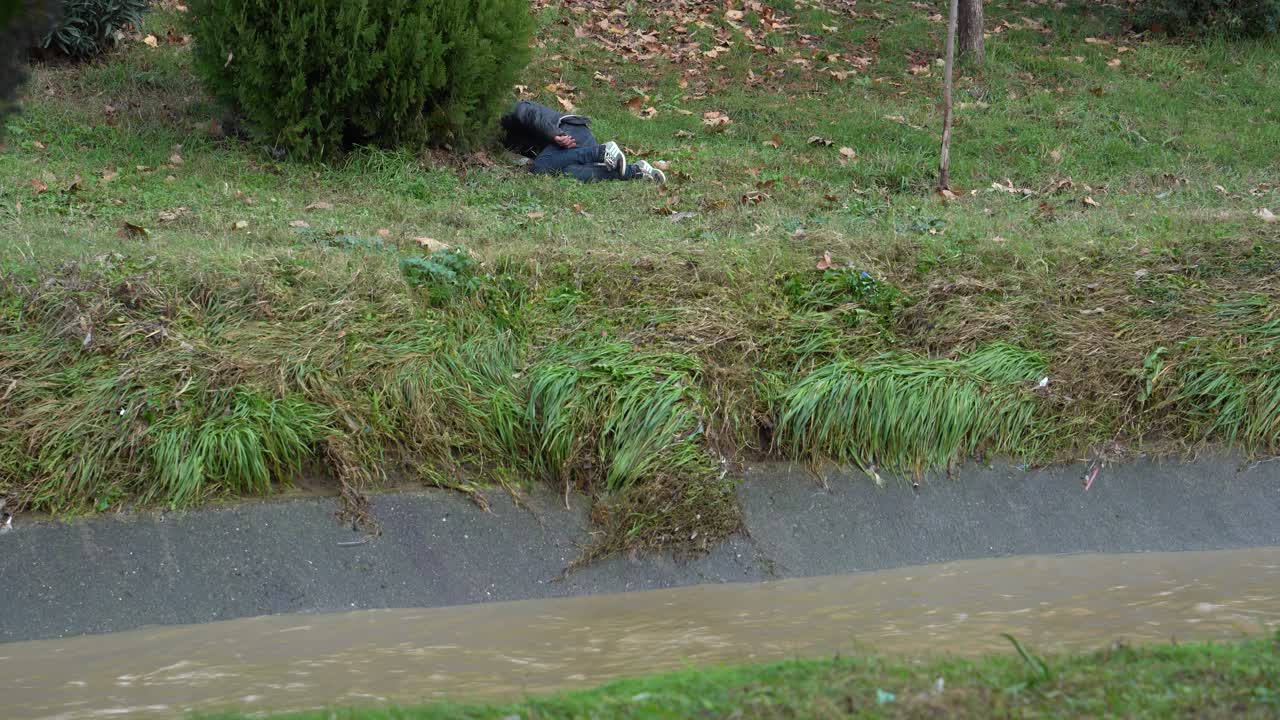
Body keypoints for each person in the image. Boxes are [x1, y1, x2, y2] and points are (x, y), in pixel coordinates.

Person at [500, 100, 667, 184]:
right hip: (567, 151)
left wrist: (554, 134)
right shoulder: (502, 138)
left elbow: (530, 113)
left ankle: (601, 152)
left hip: (571, 132)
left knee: (540, 168)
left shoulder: (507, 111)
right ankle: (637, 171)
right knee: (567, 172)